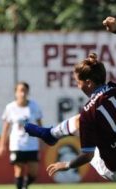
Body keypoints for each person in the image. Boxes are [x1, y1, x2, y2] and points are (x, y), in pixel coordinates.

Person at [24, 16, 116, 180]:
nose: (77, 86)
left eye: (77, 82)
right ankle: (51, 134)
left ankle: (50, 134)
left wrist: (65, 165)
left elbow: (87, 156)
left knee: (83, 123)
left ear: (88, 83)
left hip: (112, 167)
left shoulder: (89, 112)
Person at [0, 82, 43, 189]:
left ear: (28, 92)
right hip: (17, 144)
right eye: (20, 90)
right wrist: (2, 144)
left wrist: (43, 138)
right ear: (16, 92)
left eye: (24, 90)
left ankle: (25, 186)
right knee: (18, 170)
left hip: (32, 143)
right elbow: (6, 128)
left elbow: (40, 124)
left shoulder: (34, 106)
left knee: (34, 172)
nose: (22, 93)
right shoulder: (10, 107)